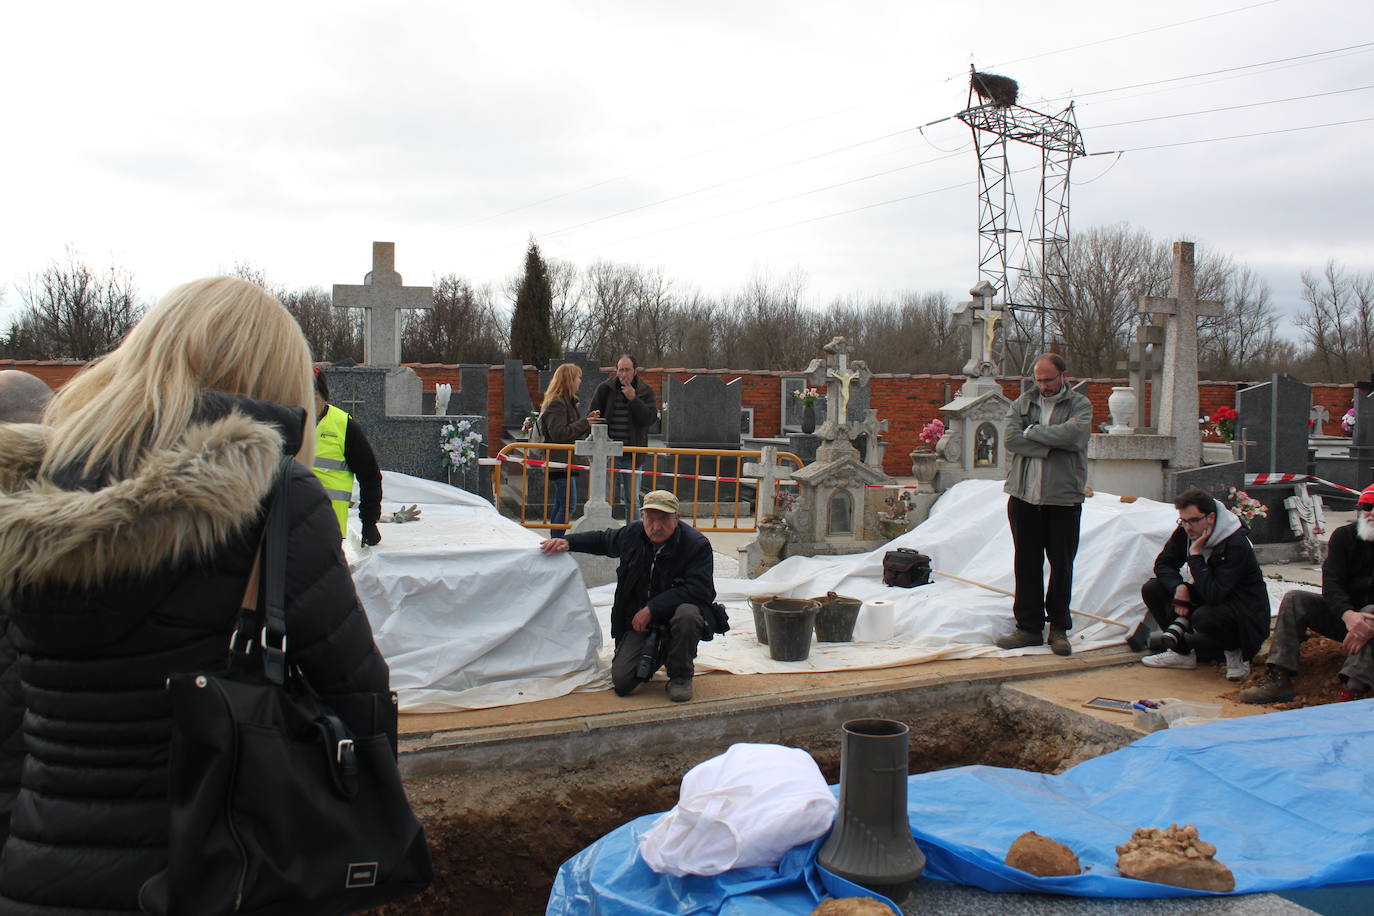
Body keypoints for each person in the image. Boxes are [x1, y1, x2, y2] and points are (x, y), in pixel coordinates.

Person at [0, 276, 391, 912]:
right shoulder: (277, 498)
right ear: (272, 378)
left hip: (41, 872)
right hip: (219, 871)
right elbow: (357, 704)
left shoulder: (26, 497)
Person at [539, 490, 713, 702]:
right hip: (639, 622)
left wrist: (653, 609)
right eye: (650, 518)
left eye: (664, 519)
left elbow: (701, 590)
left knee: (688, 614)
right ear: (642, 517)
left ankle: (680, 675)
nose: (656, 527)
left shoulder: (696, 545)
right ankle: (661, 650)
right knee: (623, 682)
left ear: (677, 518)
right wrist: (569, 542)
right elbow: (604, 540)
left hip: (673, 617)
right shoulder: (634, 534)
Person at [1240, 483, 1374, 703]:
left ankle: (1353, 688)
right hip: (1346, 618)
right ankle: (1279, 678)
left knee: (1370, 611)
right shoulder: (1344, 537)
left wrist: (1366, 621)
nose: (1372, 513)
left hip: (1371, 621)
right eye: (1368, 506)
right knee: (1295, 599)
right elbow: (1332, 583)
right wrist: (1349, 615)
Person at [997, 353, 1092, 656]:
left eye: (1049, 379)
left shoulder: (1080, 405)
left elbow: (1076, 436)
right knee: (1026, 563)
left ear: (1063, 375)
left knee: (1062, 565)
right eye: (1038, 379)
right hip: (1024, 497)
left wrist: (1035, 433)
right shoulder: (1022, 403)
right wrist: (1053, 444)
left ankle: (1059, 628)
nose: (1043, 385)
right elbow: (1012, 440)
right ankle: (1028, 628)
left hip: (1063, 499)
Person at [1139, 487, 1269, 680]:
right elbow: (1164, 564)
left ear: (1211, 518)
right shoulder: (1188, 531)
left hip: (1244, 614)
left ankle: (1237, 656)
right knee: (1154, 588)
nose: (1188, 527)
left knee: (1205, 616)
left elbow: (1215, 593)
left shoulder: (1235, 543)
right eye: (1183, 521)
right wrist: (1179, 587)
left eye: (1193, 520)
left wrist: (1196, 555)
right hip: (1213, 598)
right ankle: (1181, 653)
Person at [311, 367, 384, 545]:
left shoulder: (343, 426)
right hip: (288, 524)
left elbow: (370, 476)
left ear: (323, 395)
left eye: (313, 396)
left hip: (327, 526)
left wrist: (369, 522)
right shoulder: (286, 422)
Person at [589, 354, 658, 518]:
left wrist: (633, 399)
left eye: (627, 370)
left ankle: (632, 538)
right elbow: (593, 415)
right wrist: (593, 417)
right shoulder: (605, 389)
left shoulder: (644, 391)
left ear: (635, 371)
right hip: (608, 454)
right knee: (604, 500)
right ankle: (605, 535)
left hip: (632, 454)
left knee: (632, 501)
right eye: (620, 370)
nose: (624, 374)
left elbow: (649, 419)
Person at [539, 363, 600, 528]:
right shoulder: (557, 404)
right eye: (578, 377)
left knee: (562, 504)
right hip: (559, 463)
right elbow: (559, 433)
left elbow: (570, 429)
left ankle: (554, 538)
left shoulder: (568, 403)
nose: (580, 381)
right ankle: (556, 540)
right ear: (569, 380)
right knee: (567, 506)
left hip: (565, 462)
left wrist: (586, 420)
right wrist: (584, 423)